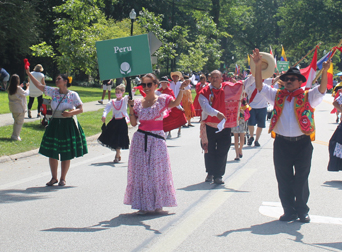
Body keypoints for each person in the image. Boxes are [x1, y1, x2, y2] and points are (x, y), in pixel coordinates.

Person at [252, 48, 331, 223]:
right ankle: (288, 210)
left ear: (299, 82)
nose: (288, 81)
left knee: (301, 179)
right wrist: (258, 67)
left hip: (302, 144)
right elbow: (259, 86)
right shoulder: (277, 95)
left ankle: (302, 210)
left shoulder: (307, 96)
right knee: (284, 179)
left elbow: (323, 89)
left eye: (292, 79)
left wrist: (324, 71)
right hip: (281, 144)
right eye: (286, 79)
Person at [124, 73, 190, 214]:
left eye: (149, 84)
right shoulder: (137, 103)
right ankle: (143, 204)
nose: (146, 87)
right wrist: (130, 108)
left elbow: (176, 104)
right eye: (144, 85)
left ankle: (158, 203)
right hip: (140, 139)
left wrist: (182, 90)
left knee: (157, 171)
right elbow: (134, 123)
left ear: (155, 85)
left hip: (157, 139)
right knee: (142, 172)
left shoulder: (162, 100)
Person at [26, 67, 88, 186]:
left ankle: (63, 178)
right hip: (55, 123)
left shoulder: (73, 95)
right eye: (56, 79)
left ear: (65, 81)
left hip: (68, 124)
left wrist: (70, 113)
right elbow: (39, 85)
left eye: (59, 79)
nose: (57, 80)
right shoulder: (53, 91)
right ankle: (53, 178)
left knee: (66, 152)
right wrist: (29, 73)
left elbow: (81, 109)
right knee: (52, 151)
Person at [198, 70, 249, 185]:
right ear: (210, 78)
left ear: (222, 78)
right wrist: (217, 113)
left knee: (223, 150)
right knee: (209, 150)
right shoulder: (204, 91)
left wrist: (258, 70)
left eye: (217, 77)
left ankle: (218, 175)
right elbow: (205, 107)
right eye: (213, 77)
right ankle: (210, 172)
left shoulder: (228, 88)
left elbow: (245, 83)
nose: (215, 79)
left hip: (225, 126)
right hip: (209, 125)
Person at [98, 84, 130, 163]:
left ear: (122, 92)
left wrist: (130, 85)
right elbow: (107, 109)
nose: (117, 94)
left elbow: (131, 94)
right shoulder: (112, 102)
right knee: (114, 137)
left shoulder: (125, 100)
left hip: (122, 121)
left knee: (120, 137)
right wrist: (104, 116)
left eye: (119, 92)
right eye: (116, 92)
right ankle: (118, 153)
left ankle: (117, 154)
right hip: (115, 121)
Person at [8, 74, 29, 141]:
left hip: (13, 107)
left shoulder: (10, 88)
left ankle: (14, 135)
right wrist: (27, 87)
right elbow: (26, 93)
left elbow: (17, 92)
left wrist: (20, 87)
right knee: (19, 123)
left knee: (16, 122)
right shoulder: (18, 88)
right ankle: (15, 136)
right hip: (20, 108)